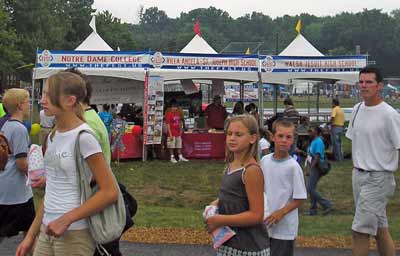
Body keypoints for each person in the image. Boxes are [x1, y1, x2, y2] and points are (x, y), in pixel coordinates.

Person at [15, 71, 119, 256]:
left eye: (48, 94)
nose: (42, 100)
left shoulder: (84, 137)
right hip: (47, 230)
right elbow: (52, 190)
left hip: (76, 234)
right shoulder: (52, 136)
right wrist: (31, 235)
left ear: (70, 101)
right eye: (43, 94)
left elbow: (109, 192)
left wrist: (67, 219)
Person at [346, 66, 400, 256]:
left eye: (369, 82)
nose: (364, 86)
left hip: (378, 178)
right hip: (358, 176)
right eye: (361, 82)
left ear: (380, 86)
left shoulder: (389, 115)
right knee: (379, 229)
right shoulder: (357, 109)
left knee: (359, 231)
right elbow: (355, 140)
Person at [205, 115, 269, 256]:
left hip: (247, 247)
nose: (232, 138)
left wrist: (220, 220)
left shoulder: (251, 170)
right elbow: (235, 197)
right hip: (228, 243)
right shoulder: (231, 165)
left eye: (239, 134)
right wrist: (216, 204)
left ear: (253, 138)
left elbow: (257, 215)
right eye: (229, 134)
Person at [261, 119, 307, 256]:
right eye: (280, 136)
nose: (284, 140)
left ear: (293, 140)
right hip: (265, 223)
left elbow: (299, 198)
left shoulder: (293, 167)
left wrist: (281, 212)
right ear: (272, 137)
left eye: (288, 137)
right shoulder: (264, 161)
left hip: (284, 228)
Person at [0, 89, 35, 242]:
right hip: (17, 191)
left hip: (6, 185)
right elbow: (21, 163)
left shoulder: (7, 124)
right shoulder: (19, 129)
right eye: (28, 101)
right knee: (31, 229)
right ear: (20, 105)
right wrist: (37, 174)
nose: (30, 104)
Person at [306, 126, 332, 216]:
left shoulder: (319, 141)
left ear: (317, 132)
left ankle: (327, 204)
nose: (309, 132)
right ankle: (313, 210)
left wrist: (310, 168)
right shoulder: (313, 141)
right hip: (312, 166)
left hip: (317, 167)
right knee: (311, 188)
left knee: (310, 188)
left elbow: (317, 157)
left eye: (311, 130)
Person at [165, 98, 189, 163]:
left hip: (178, 132)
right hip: (171, 133)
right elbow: (168, 124)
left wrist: (181, 130)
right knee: (171, 146)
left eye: (175, 107)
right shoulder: (168, 114)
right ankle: (172, 157)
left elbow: (180, 122)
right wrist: (170, 134)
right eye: (173, 107)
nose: (174, 108)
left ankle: (180, 157)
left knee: (179, 145)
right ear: (171, 107)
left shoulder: (178, 113)